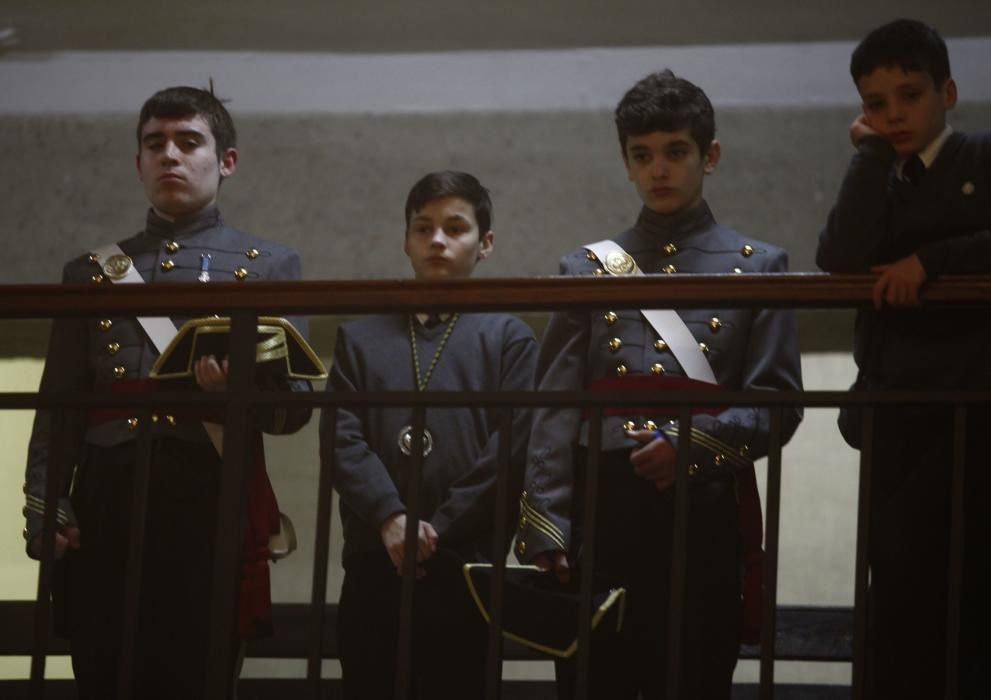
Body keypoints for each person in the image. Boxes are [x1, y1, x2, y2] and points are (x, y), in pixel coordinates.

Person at [516, 70, 803, 699]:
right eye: (643, 156)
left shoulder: (761, 268)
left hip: (700, 507)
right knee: (594, 680)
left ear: (710, 156)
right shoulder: (585, 269)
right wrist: (548, 525)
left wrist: (693, 446)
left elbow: (776, 403)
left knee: (695, 674)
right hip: (602, 503)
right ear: (626, 164)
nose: (660, 170)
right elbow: (554, 409)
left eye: (676, 152)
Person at [22, 86, 313, 700]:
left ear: (226, 161)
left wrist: (237, 391)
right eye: (155, 144)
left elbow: (292, 412)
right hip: (105, 491)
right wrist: (47, 505)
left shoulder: (268, 266)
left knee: (195, 670)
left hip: (204, 489)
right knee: (102, 668)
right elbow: (59, 406)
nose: (170, 156)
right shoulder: (91, 271)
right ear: (138, 164)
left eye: (189, 142)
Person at [817, 18, 990, 699]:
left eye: (908, 96)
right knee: (895, 586)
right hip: (894, 408)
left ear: (945, 93)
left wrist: (931, 262)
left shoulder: (979, 156)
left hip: (975, 406)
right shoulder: (878, 172)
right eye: (874, 103)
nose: (892, 115)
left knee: (970, 590)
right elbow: (838, 256)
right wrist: (865, 157)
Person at [322, 170, 538, 699]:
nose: (437, 239)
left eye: (455, 227)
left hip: (467, 565)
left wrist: (435, 529)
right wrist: (392, 519)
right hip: (377, 561)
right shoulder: (359, 338)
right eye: (423, 228)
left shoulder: (510, 338)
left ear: (484, 243)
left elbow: (510, 451)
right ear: (406, 240)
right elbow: (341, 440)